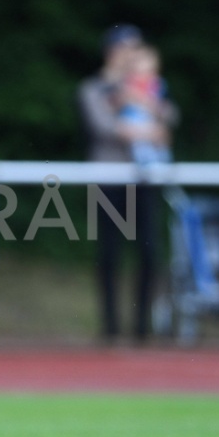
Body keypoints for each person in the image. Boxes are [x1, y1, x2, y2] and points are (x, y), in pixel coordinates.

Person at [77, 25, 178, 344]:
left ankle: (141, 327)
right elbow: (105, 127)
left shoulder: (147, 86)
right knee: (109, 252)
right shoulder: (94, 88)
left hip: (144, 177)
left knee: (149, 251)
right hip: (108, 177)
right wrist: (148, 127)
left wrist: (140, 99)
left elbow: (170, 116)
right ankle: (110, 327)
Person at [114, 44, 172, 166]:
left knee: (160, 145)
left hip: (149, 121)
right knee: (140, 146)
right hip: (133, 120)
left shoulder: (157, 83)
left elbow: (167, 112)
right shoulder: (125, 82)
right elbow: (119, 101)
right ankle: (145, 162)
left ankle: (163, 165)